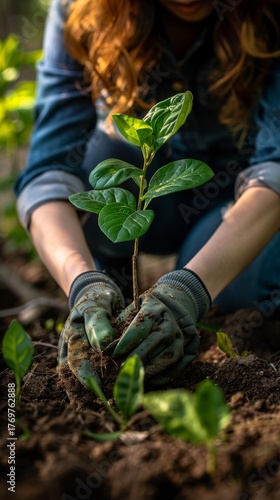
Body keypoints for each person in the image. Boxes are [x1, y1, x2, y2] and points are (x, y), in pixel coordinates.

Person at [15, 0, 280, 387]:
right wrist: (82, 282)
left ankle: (186, 292)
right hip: (144, 192)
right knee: (103, 163)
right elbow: (48, 173)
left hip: (239, 205)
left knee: (235, 288)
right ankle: (114, 296)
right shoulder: (80, 7)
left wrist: (191, 288)